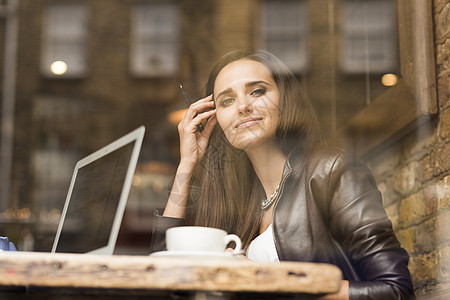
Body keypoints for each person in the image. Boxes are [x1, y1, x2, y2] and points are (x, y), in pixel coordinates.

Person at [150, 50, 415, 299]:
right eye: (227, 100)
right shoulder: (236, 203)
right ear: (216, 118)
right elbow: (162, 278)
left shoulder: (330, 171)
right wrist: (187, 164)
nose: (243, 106)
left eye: (257, 91)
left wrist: (267, 280)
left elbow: (395, 290)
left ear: (283, 100)